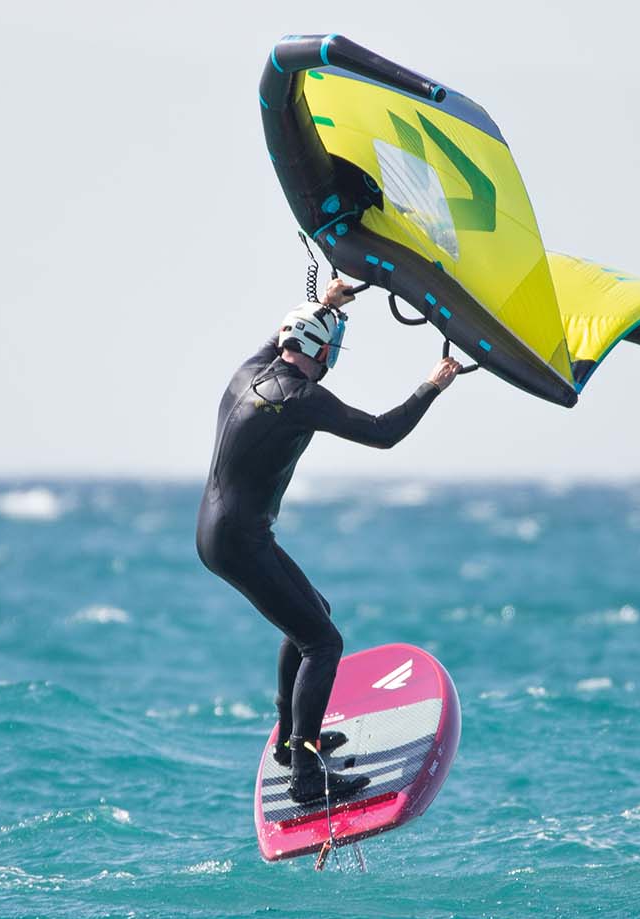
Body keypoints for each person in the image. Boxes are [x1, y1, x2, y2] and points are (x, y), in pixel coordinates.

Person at [197, 278, 464, 804]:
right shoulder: (300, 398)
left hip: (219, 532)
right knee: (323, 641)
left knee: (312, 617)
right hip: (239, 541)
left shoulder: (249, 372)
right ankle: (304, 775)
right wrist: (432, 385)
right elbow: (383, 432)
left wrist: (323, 303)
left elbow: (277, 334)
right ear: (321, 351)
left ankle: (291, 747)